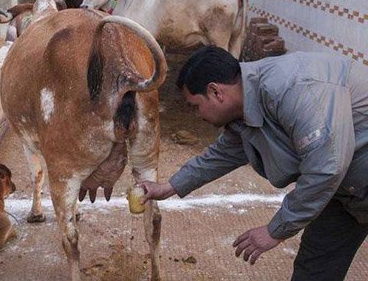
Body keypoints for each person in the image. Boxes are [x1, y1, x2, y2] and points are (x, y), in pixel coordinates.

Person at [139, 46, 368, 280]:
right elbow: (222, 154)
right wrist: (170, 187)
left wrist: (275, 231)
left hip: (347, 179)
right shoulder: (247, 107)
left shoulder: (292, 88)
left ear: (216, 92)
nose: (198, 115)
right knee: (316, 266)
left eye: (195, 106)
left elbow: (327, 166)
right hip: (346, 193)